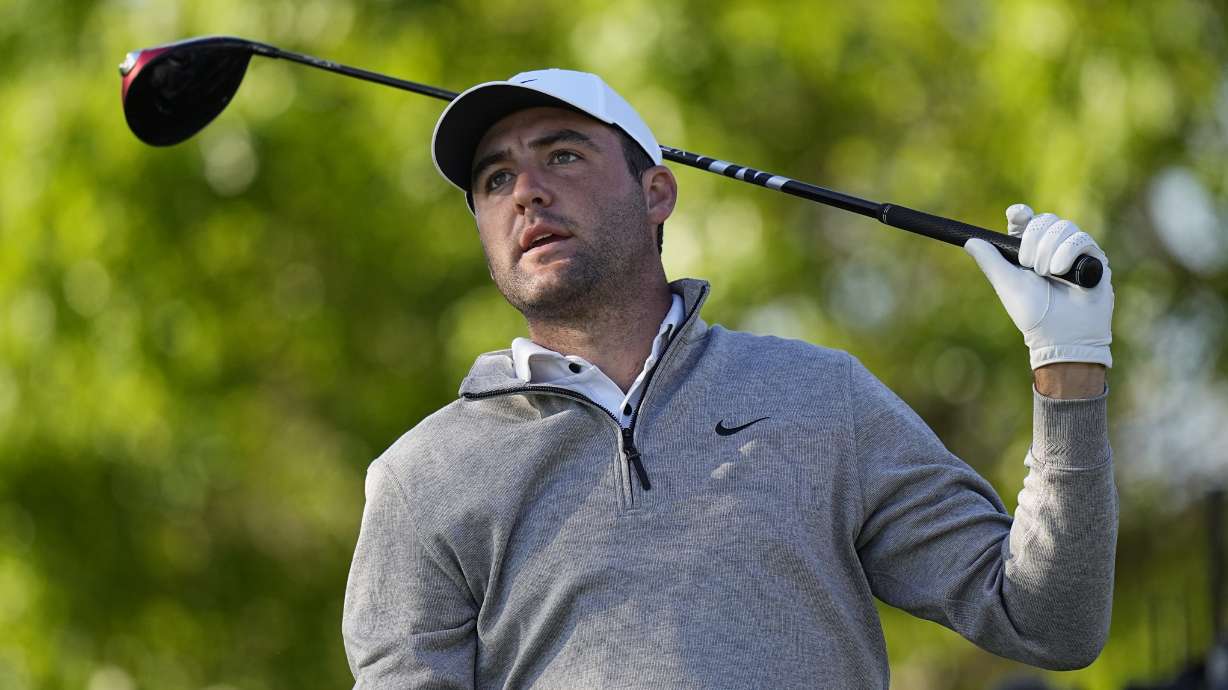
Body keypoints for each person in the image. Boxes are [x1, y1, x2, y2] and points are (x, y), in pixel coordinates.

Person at [342, 68, 1117, 689]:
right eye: (494, 180)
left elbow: (1047, 621)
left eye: (564, 155)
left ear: (657, 194)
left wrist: (1068, 371)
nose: (528, 192)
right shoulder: (421, 480)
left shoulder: (820, 397)